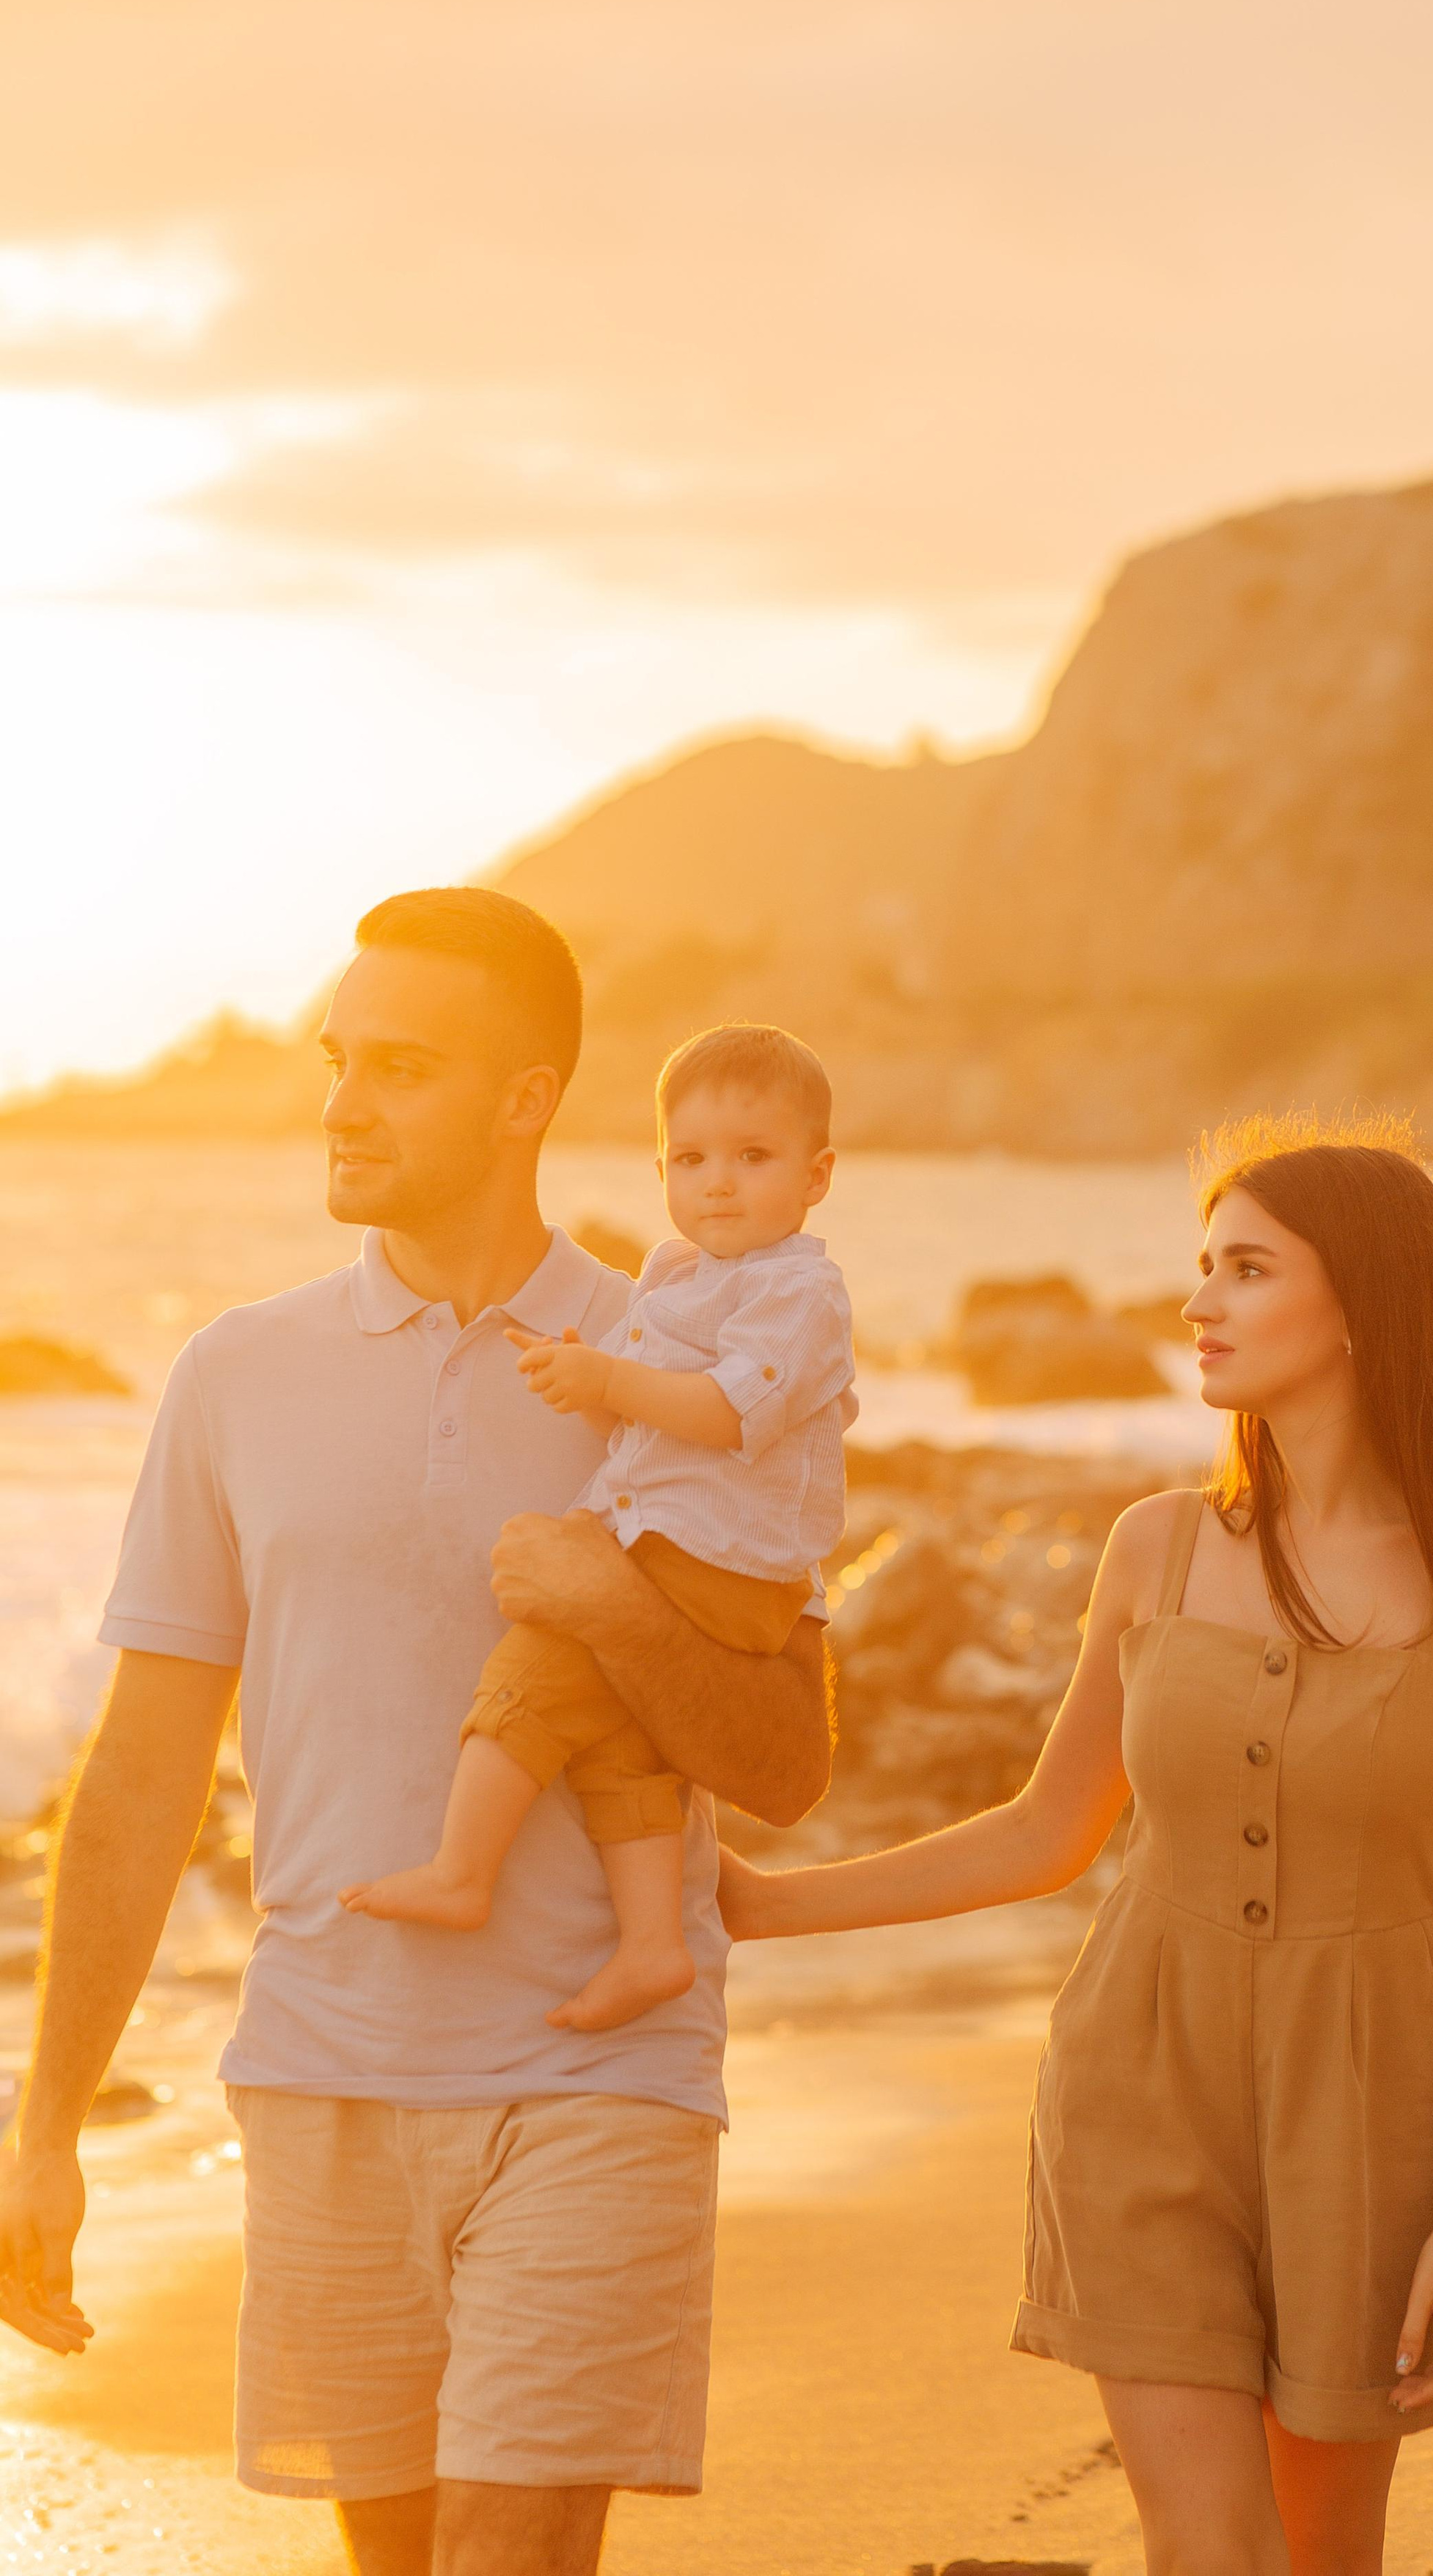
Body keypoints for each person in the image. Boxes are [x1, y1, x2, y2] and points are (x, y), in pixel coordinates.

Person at [0, 889, 833, 2576]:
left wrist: (605, 1607)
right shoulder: (238, 1375)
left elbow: (785, 1761)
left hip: (600, 2071)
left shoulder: (682, 1361)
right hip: (320, 2069)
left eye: (398, 1066)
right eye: (336, 1059)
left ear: (526, 1097)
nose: (342, 1102)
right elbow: (145, 1769)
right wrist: (47, 2126)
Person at [719, 1118, 1433, 2576]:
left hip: (1364, 2110)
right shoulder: (1156, 1550)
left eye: (1244, 1269)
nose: (1196, 1303)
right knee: (1208, 2552)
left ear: (1363, 1304)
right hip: (1140, 2086)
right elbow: (1047, 1830)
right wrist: (757, 1905)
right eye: (1199, 1266)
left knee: (1323, 2559)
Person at [340, 1021, 856, 2038]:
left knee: (533, 1676)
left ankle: (461, 1872)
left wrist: (610, 1379)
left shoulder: (797, 1289)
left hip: (719, 1561)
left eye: (754, 1159)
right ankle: (654, 1944)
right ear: (661, 1168)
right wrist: (583, 1372)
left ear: (818, 1174)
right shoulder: (675, 1272)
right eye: (691, 1160)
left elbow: (724, 1411)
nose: (718, 1184)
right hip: (677, 1546)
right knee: (621, 1745)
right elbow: (638, 1402)